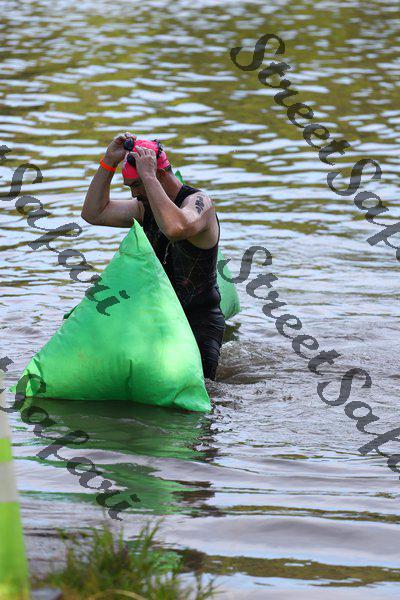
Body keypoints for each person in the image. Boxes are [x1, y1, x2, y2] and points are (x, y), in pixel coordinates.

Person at [81, 132, 225, 381]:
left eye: (136, 185)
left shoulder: (200, 203)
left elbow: (175, 228)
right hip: (158, 316)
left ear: (158, 174)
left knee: (204, 394)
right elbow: (94, 213)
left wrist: (147, 177)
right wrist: (108, 162)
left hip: (199, 320)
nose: (134, 194)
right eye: (130, 186)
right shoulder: (143, 207)